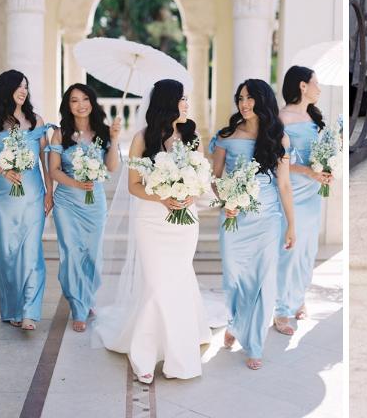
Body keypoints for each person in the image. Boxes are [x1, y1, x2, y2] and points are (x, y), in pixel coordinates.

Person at [93, 79, 221, 383]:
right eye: (183, 99)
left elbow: (202, 177)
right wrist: (163, 197)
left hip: (184, 220)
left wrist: (190, 193)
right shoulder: (141, 138)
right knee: (156, 285)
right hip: (151, 219)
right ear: (169, 102)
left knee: (176, 281)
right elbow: (133, 185)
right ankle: (145, 354)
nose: (187, 105)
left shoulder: (191, 136)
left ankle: (178, 351)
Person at [210, 80, 297, 370]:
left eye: (249, 99)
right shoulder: (226, 135)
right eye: (240, 99)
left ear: (262, 101)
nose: (244, 104)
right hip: (234, 217)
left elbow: (284, 185)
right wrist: (226, 199)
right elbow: (216, 178)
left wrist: (291, 225)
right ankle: (235, 322)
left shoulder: (278, 138)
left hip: (267, 219)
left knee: (263, 281)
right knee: (233, 277)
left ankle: (255, 343)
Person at [47, 84, 122, 331]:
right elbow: (54, 170)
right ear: (67, 106)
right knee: (71, 252)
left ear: (92, 102)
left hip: (94, 202)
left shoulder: (102, 131)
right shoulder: (60, 133)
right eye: (74, 101)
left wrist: (114, 138)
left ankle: (87, 295)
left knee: (92, 254)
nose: (81, 105)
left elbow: (111, 167)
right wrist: (77, 183)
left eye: (85, 99)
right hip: (67, 201)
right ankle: (77, 306)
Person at [0, 70, 51, 330]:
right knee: (7, 253)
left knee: (32, 251)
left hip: (34, 194)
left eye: (26, 85)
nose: (23, 90)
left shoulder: (36, 120)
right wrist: (4, 168)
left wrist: (49, 191)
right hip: (3, 198)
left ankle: (29, 311)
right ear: (6, 88)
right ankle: (12, 308)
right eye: (18, 86)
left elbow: (45, 161)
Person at [276, 67, 325, 333]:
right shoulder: (281, 118)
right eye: (315, 83)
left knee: (308, 250)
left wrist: (327, 167)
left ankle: (298, 298)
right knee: (289, 250)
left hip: (313, 191)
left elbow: (318, 153)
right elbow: (277, 162)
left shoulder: (314, 115)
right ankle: (281, 309)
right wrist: (306, 171)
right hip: (292, 191)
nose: (319, 88)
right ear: (302, 86)